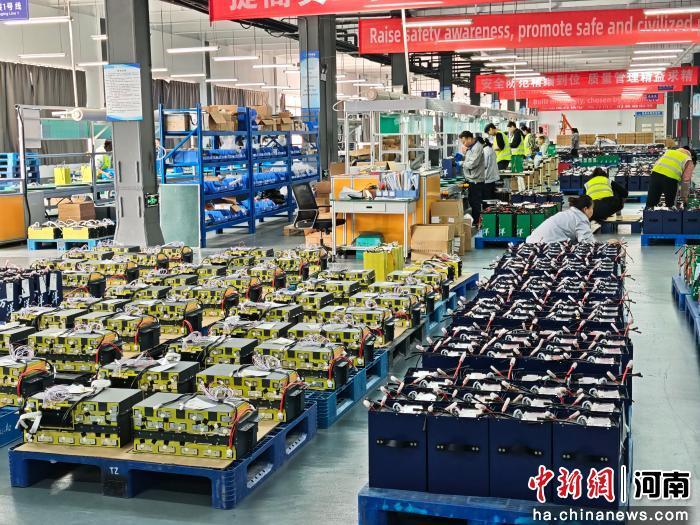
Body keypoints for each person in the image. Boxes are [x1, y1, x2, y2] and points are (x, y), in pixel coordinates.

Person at [526, 195, 595, 244]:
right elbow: (588, 243)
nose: (593, 211)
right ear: (585, 209)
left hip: (532, 241)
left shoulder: (570, 213)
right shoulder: (581, 219)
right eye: (592, 208)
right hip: (544, 245)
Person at [459, 130, 485, 224]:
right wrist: (464, 155)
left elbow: (472, 164)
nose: (464, 144)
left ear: (469, 139)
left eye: (464, 142)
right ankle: (475, 222)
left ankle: (477, 223)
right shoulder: (471, 147)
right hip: (471, 179)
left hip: (476, 180)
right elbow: (469, 160)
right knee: (472, 201)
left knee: (476, 203)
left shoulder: (477, 147)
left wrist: (461, 163)